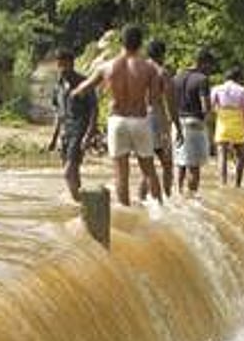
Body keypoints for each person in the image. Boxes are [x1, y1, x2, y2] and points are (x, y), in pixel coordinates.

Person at [71, 25, 165, 206]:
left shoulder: (106, 67)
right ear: (141, 43)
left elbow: (82, 90)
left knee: (121, 173)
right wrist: (162, 128)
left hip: (117, 121)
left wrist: (73, 96)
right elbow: (154, 101)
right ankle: (159, 211)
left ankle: (126, 210)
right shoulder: (149, 69)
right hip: (140, 120)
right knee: (149, 171)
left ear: (121, 42)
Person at [46, 48, 97, 202]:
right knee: (73, 173)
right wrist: (54, 138)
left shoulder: (84, 83)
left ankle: (79, 202)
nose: (61, 68)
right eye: (59, 65)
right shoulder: (58, 86)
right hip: (65, 133)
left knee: (68, 172)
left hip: (79, 131)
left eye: (64, 65)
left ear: (72, 64)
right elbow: (59, 114)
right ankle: (83, 205)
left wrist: (89, 133)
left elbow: (94, 108)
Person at [139, 38, 181, 200]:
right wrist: (177, 126)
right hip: (156, 119)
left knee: (146, 167)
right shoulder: (162, 72)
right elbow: (171, 104)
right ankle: (167, 198)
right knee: (167, 163)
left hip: (139, 118)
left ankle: (142, 201)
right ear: (162, 54)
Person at [173, 48, 215, 195]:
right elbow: (205, 107)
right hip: (195, 124)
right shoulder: (202, 79)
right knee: (194, 167)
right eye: (210, 66)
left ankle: (178, 194)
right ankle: (191, 198)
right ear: (204, 63)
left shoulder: (177, 77)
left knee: (180, 164)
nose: (210, 70)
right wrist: (209, 129)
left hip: (178, 123)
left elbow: (171, 102)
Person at [211, 66, 244, 187]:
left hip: (222, 124)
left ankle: (223, 183)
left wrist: (220, 112)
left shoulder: (217, 89)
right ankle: (237, 182)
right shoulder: (243, 90)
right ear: (238, 78)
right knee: (242, 154)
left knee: (222, 154)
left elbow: (211, 106)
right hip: (238, 123)